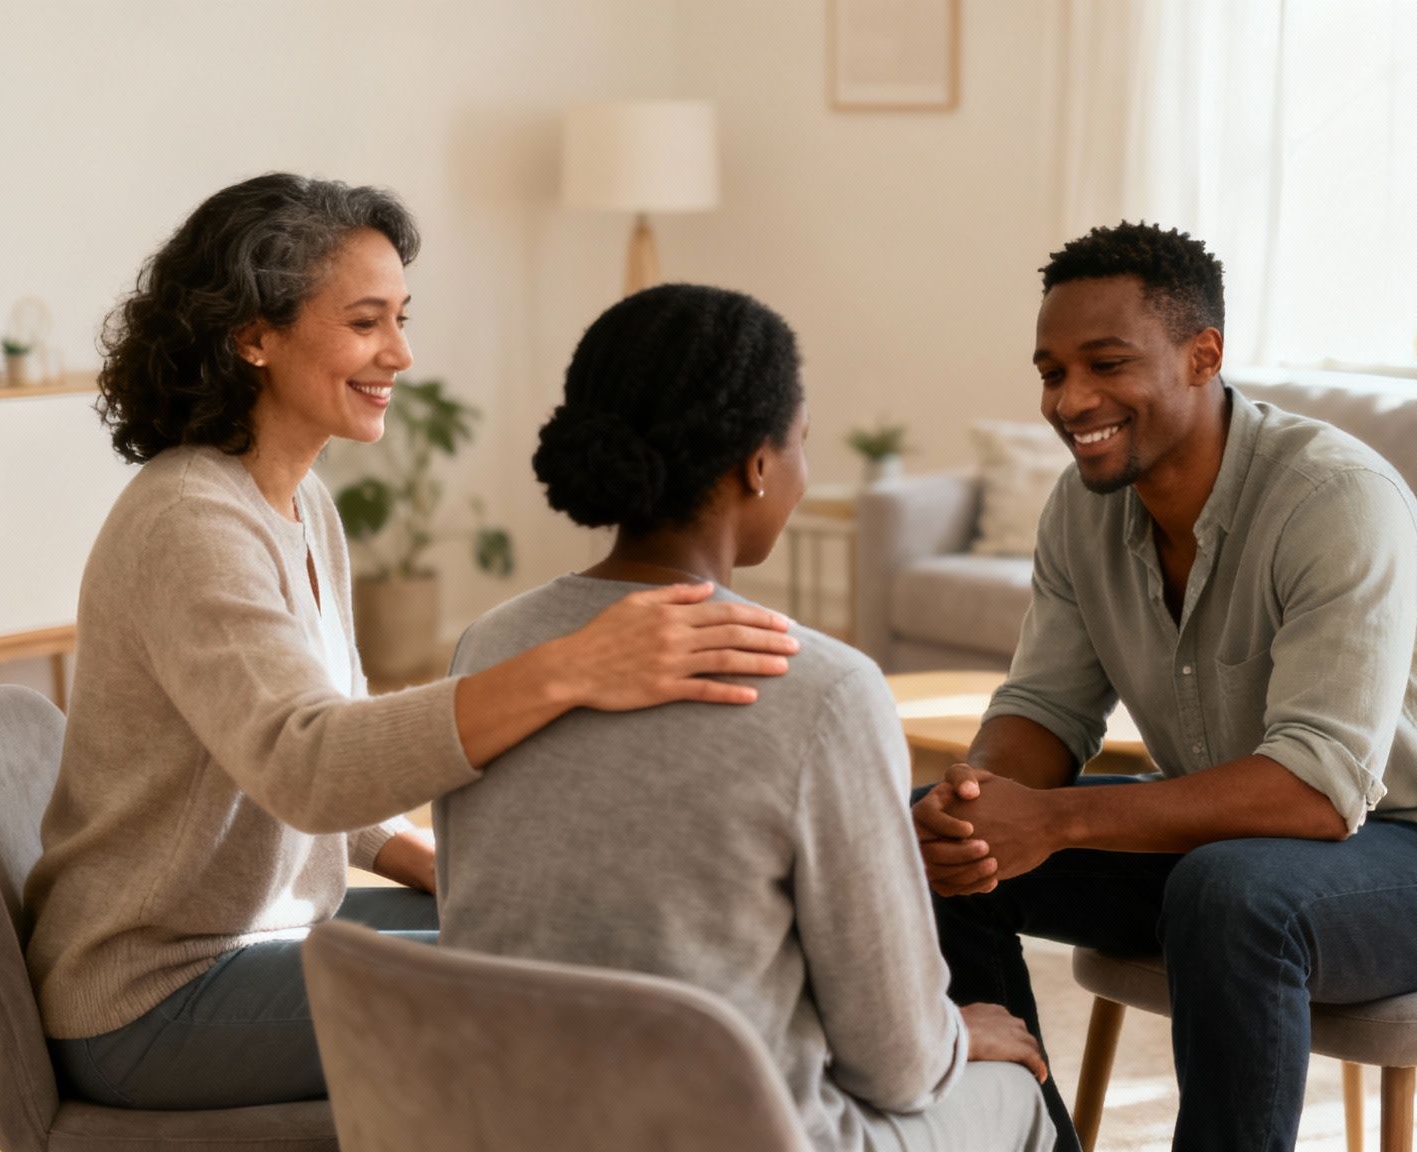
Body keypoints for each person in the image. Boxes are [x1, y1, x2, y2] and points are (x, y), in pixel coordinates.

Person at [24, 174, 801, 1111]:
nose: (401, 352)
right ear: (253, 337)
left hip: (261, 936)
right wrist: (574, 666)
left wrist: (447, 874)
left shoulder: (300, 502)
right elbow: (311, 767)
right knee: (595, 1007)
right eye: (365, 323)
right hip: (155, 999)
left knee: (587, 948)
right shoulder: (191, 522)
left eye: (401, 317)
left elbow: (337, 764)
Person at [910, 222, 1417, 1152]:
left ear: (1203, 355)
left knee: (1231, 892)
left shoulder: (1334, 499)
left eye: (1106, 364)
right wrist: (974, 807)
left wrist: (1050, 823)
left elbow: (1318, 790)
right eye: (1052, 372)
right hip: (1233, 846)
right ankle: (1028, 1143)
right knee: (933, 850)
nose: (1070, 399)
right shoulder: (1082, 508)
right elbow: (1045, 709)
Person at [435, 283, 1055, 1152]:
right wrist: (962, 1037)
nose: (801, 473)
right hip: (737, 1132)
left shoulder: (492, 648)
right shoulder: (824, 688)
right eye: (801, 444)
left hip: (512, 1118)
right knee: (1012, 1084)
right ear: (756, 465)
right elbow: (895, 1064)